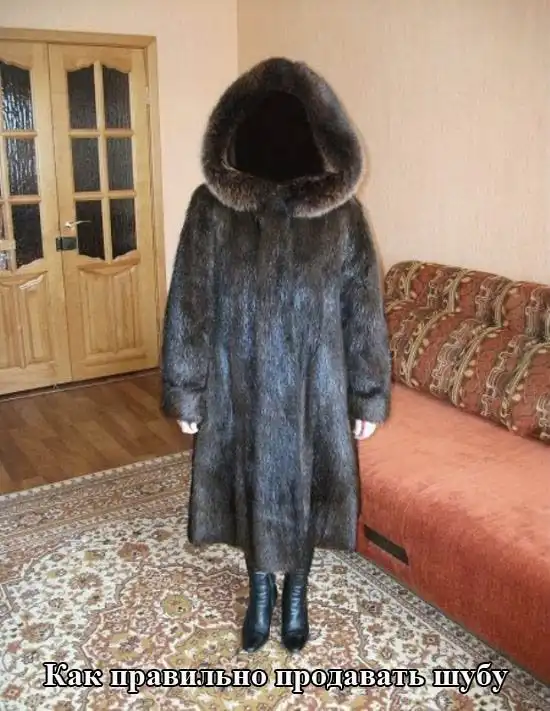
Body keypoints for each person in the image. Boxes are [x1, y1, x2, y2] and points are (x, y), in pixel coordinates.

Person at [161, 57, 391, 653]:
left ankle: (297, 593)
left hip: (316, 389)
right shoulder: (212, 210)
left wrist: (367, 393)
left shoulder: (342, 218)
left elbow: (362, 310)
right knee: (249, 487)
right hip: (238, 388)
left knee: (306, 490)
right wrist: (188, 390)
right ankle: (260, 589)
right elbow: (190, 302)